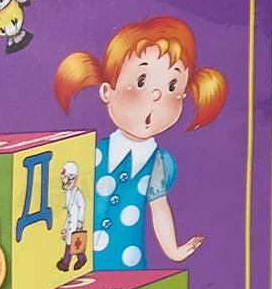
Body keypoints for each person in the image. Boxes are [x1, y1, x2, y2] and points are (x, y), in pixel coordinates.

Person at [52, 16, 226, 270]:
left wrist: (173, 250)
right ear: (107, 91)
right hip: (81, 264)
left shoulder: (157, 162)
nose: (156, 95)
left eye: (171, 86)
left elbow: (159, 206)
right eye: (141, 81)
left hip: (128, 264)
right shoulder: (93, 152)